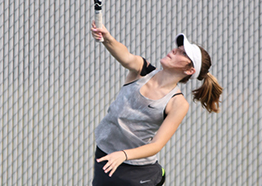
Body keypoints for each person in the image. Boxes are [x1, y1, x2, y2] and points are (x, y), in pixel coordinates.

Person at [91, 23, 223, 186]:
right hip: (106, 155)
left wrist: (123, 155)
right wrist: (107, 38)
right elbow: (125, 55)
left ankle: (156, 176)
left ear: (190, 70)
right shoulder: (142, 69)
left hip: (138, 170)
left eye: (183, 53)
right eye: (178, 47)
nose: (175, 50)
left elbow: (156, 145)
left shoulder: (177, 103)